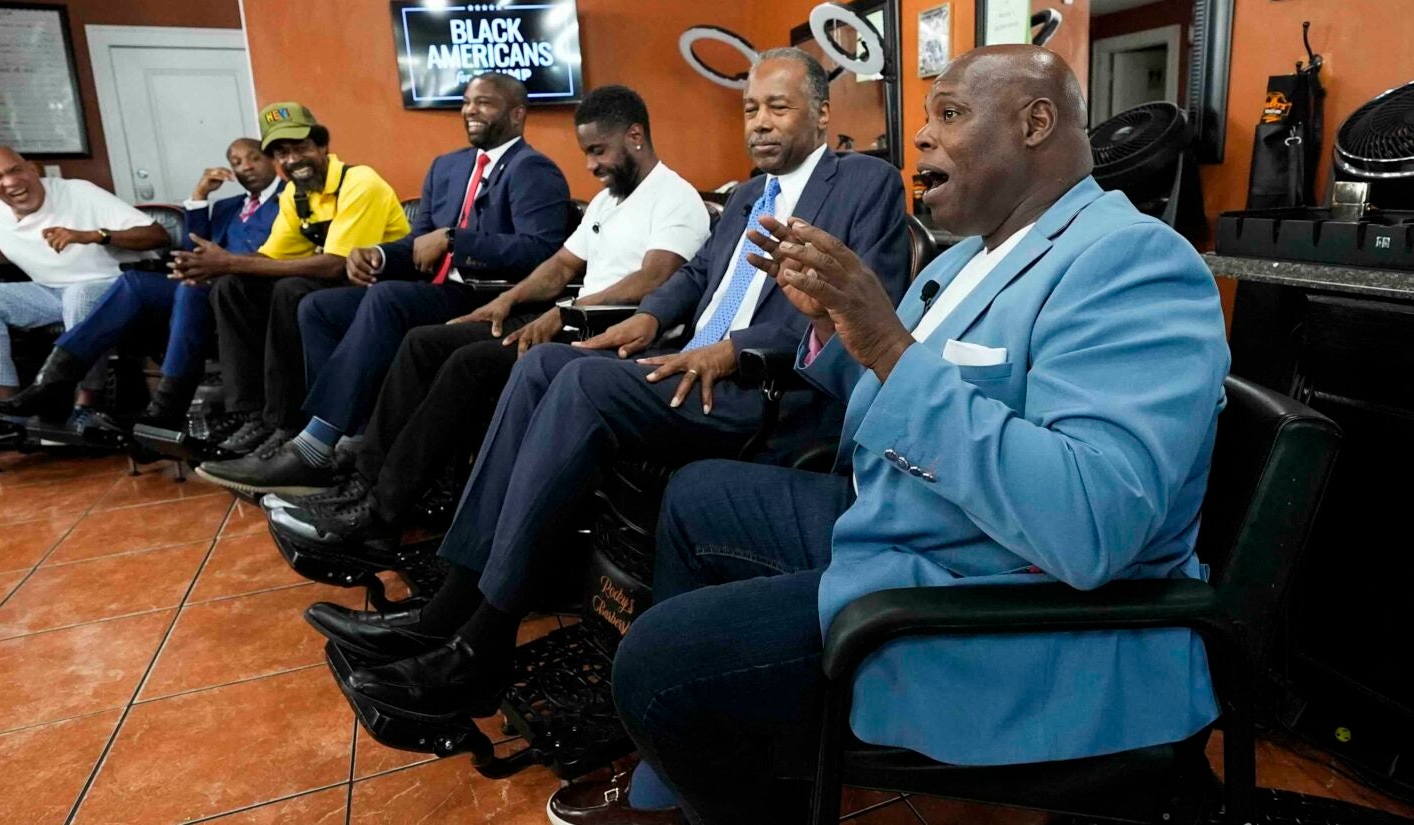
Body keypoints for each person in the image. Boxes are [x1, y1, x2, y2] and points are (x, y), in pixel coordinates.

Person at [581, 46, 1231, 825]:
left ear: (1036, 122)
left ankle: (726, 774)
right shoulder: (962, 262)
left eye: (949, 115)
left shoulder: (1132, 261)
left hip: (1006, 598)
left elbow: (1090, 523)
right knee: (696, 494)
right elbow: (880, 416)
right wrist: (836, 330)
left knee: (656, 664)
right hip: (918, 523)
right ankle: (687, 783)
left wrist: (890, 345)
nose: (919, 138)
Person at [309, 48, 910, 732]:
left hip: (764, 391)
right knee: (541, 365)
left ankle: (482, 644)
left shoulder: (866, 183)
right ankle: (454, 602)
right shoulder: (747, 194)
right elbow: (694, 276)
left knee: (583, 383)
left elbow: (871, 308)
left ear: (824, 113)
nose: (760, 124)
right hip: (681, 361)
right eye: (750, 109)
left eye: (778, 107)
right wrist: (651, 315)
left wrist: (736, 350)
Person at [269, 84, 710, 550]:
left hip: (612, 336)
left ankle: (381, 512)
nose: (590, 166)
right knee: (424, 342)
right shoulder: (608, 200)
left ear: (635, 136)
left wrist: (564, 313)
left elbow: (655, 279)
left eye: (598, 151)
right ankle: (363, 481)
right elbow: (560, 265)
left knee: (469, 365)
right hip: (572, 319)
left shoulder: (674, 197)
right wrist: (508, 300)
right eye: (586, 153)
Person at [194, 72, 572, 495]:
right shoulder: (447, 167)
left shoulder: (533, 169)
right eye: (466, 101)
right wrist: (376, 254)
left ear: (517, 114)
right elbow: (416, 241)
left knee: (387, 299)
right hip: (439, 288)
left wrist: (454, 240)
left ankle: (315, 448)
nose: (469, 110)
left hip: (488, 295)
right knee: (317, 307)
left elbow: (541, 251)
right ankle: (349, 438)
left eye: (483, 103)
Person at [0, 137, 282, 429]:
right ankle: (51, 385)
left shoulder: (290, 197)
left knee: (188, 288)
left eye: (254, 158)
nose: (246, 167)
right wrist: (200, 198)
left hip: (247, 284)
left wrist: (223, 264)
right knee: (137, 282)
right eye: (237, 163)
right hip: (209, 279)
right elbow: (193, 249)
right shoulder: (227, 206)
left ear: (271, 159)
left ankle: (164, 411)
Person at [176, 103, 412, 455]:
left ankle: (285, 423)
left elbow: (335, 265)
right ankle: (251, 414)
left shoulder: (360, 182)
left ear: (321, 147)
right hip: (338, 283)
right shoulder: (295, 195)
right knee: (230, 288)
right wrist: (214, 266)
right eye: (282, 153)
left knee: (290, 290)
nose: (292, 160)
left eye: (300, 148)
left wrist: (228, 260)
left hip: (384, 289)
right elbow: (270, 256)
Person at [0, 147, 171, 421]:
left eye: (16, 170)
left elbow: (157, 236)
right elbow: (17, 248)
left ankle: (87, 403)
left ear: (32, 168)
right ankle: (7, 409)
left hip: (112, 286)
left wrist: (93, 235)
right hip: (49, 289)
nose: (10, 182)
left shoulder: (79, 192)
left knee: (80, 294)